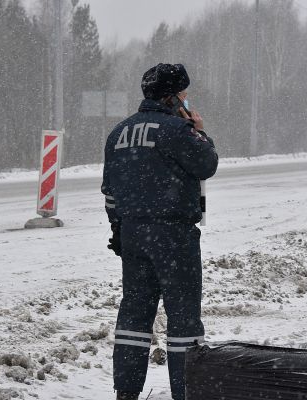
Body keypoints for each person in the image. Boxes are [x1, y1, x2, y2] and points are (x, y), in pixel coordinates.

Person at [101, 63, 219, 400]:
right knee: (183, 320)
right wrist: (200, 131)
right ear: (173, 97)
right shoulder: (176, 131)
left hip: (133, 236)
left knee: (134, 317)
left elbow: (110, 192)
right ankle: (186, 392)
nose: (186, 99)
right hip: (173, 236)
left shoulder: (118, 133)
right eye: (184, 94)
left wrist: (120, 229)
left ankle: (126, 392)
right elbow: (206, 164)